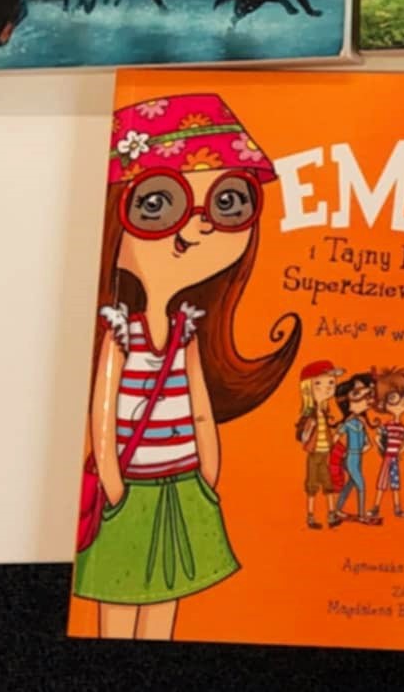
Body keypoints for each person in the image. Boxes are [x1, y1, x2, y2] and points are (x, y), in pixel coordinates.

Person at [73, 92, 299, 640]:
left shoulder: (186, 330)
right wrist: (115, 485)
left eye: (228, 203)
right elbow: (103, 418)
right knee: (119, 602)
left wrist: (209, 472)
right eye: (157, 204)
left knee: (168, 601)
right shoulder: (117, 332)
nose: (198, 229)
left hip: (185, 484)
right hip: (130, 488)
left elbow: (199, 408)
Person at [296, 359, 343, 529]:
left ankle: (331, 515)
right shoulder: (309, 414)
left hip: (326, 454)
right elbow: (301, 436)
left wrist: (336, 437)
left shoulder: (325, 412)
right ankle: (310, 516)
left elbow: (327, 434)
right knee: (312, 485)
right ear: (308, 388)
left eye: (331, 382)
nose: (327, 387)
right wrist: (308, 429)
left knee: (328, 483)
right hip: (314, 454)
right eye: (319, 383)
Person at [329, 372, 379, 527]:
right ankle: (362, 515)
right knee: (361, 485)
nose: (366, 400)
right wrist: (334, 451)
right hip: (350, 458)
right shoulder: (348, 424)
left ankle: (337, 509)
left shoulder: (360, 424)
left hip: (357, 457)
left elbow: (368, 444)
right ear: (347, 403)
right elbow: (336, 437)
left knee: (351, 483)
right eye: (358, 395)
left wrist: (361, 450)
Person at [374, 369, 404, 520]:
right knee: (382, 482)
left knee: (395, 483)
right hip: (387, 458)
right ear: (383, 404)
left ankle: (397, 508)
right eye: (394, 397)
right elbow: (378, 438)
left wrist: (400, 451)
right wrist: (382, 447)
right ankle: (376, 507)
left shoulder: (402, 428)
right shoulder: (387, 426)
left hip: (394, 458)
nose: (403, 401)